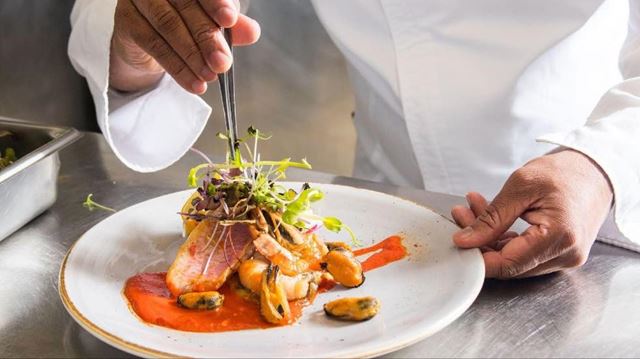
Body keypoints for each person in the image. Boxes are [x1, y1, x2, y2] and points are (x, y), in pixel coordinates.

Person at [69, 0, 640, 279]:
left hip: (598, 210)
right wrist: (135, 39)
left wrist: (602, 161)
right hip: (389, 210)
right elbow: (127, 21)